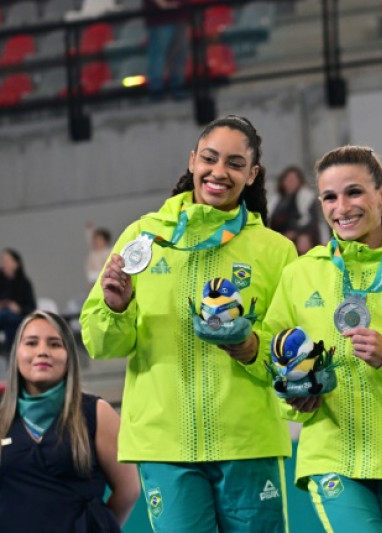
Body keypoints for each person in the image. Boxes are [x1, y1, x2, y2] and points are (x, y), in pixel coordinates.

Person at [80, 115, 298, 533]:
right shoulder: (144, 237)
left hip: (247, 442)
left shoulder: (276, 251)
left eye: (235, 164)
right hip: (166, 445)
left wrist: (253, 347)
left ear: (252, 174)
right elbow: (100, 343)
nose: (219, 172)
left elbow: (290, 348)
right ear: (193, 160)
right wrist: (116, 307)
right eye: (210, 159)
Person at [262, 146, 382, 531]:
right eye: (330, 196)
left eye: (354, 192)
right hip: (332, 455)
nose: (341, 207)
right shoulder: (301, 275)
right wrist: (295, 398)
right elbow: (275, 365)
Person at [0, 310, 140, 531]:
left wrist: (97, 526)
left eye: (55, 344)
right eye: (31, 343)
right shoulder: (2, 420)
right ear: (16, 354)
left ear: (69, 356)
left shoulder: (97, 412)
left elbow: (129, 489)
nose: (42, 352)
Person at [145, 0, 189, 100]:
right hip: (159, 17)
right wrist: (162, 3)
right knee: (158, 55)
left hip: (179, 15)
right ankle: (157, 90)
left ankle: (177, 87)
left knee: (179, 54)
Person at [268, 165, 320, 242]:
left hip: (299, 234)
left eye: (294, 179)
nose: (291, 182)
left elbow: (312, 221)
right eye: (288, 179)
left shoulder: (307, 198)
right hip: (277, 235)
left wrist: (295, 233)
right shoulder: (275, 200)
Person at [0, 249, 36, 358]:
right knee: (9, 320)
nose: (3, 264)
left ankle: (10, 355)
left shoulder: (24, 284)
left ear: (16, 263)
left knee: (12, 320)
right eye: (2, 260)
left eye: (6, 260)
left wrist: (18, 308)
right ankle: (12, 355)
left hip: (18, 318)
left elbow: (31, 307)